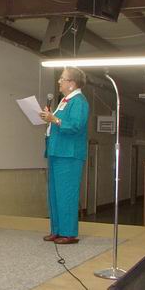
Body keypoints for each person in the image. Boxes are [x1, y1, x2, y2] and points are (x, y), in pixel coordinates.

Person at [39, 66, 89, 245]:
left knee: (66, 193)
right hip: (57, 152)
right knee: (54, 193)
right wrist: (50, 118)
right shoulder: (65, 100)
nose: (59, 81)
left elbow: (75, 126)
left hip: (69, 154)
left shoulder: (79, 101)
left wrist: (55, 119)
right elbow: (59, 124)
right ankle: (57, 230)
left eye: (62, 78)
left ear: (72, 83)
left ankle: (69, 233)